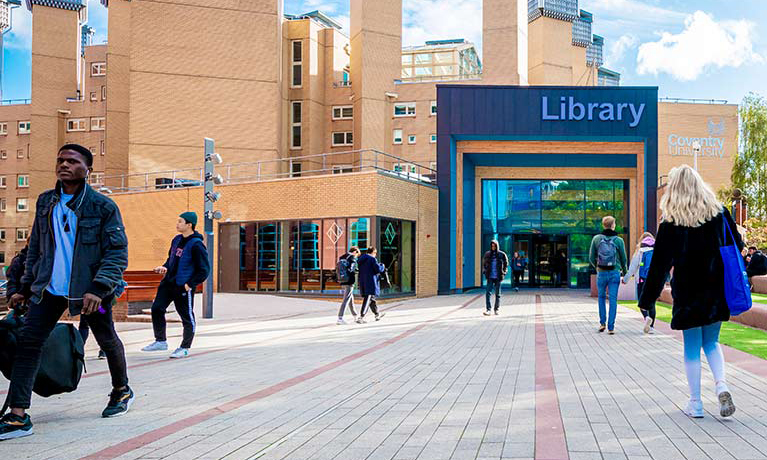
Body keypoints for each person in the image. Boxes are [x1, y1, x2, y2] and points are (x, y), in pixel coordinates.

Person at [1, 144, 132, 441]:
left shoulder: (103, 206)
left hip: (90, 295)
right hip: (48, 291)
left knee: (106, 337)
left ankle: (121, 391)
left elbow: (116, 252)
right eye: (60, 160)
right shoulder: (46, 201)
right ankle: (18, 416)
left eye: (72, 161)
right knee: (28, 345)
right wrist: (23, 287)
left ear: (88, 169)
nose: (64, 165)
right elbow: (36, 248)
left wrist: (99, 288)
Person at [639, 165, 739, 419]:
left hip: (688, 291)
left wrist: (647, 299)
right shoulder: (719, 214)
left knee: (692, 347)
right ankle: (721, 385)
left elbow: (659, 264)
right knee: (712, 341)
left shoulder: (671, 221)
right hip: (716, 289)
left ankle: (695, 403)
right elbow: (737, 244)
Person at [142, 212, 210, 359]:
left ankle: (185, 347)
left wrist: (189, 285)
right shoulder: (176, 240)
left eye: (180, 221)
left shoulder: (197, 245)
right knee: (157, 309)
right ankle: (160, 341)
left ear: (189, 225)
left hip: (182, 286)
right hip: (168, 283)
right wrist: (164, 267)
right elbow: (170, 260)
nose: (177, 224)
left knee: (186, 317)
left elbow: (204, 270)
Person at [589, 216, 628, 334]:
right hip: (614, 272)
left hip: (601, 272)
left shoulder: (596, 239)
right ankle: (611, 327)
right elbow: (624, 259)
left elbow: (591, 257)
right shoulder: (619, 240)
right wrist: (625, 274)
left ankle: (602, 323)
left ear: (603, 225)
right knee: (613, 299)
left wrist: (597, 267)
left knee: (601, 298)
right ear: (613, 225)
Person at [623, 232, 657, 334]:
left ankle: (646, 317)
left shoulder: (640, 251)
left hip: (642, 280)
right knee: (652, 303)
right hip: (654, 281)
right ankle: (651, 327)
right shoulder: (657, 250)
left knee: (642, 302)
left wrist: (625, 279)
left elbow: (633, 267)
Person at [356, 247, 386, 324]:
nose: (375, 255)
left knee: (371, 299)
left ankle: (377, 314)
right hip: (371, 282)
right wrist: (382, 266)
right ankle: (361, 317)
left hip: (363, 281)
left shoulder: (361, 259)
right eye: (375, 253)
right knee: (368, 298)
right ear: (373, 252)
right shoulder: (372, 259)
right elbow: (378, 269)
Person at [482, 240, 508, 316]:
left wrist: (504, 272)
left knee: (498, 294)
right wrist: (484, 271)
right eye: (492, 246)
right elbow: (484, 264)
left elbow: (506, 263)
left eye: (494, 246)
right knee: (488, 293)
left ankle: (496, 309)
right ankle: (488, 310)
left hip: (498, 277)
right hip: (490, 277)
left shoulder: (501, 254)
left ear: (497, 246)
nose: (493, 247)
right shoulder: (487, 254)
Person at [337, 246, 360, 325]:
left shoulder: (342, 257)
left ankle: (355, 316)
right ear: (355, 252)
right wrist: (356, 271)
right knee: (346, 299)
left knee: (350, 299)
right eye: (357, 254)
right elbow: (351, 269)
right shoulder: (352, 258)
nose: (356, 256)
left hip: (343, 280)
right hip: (349, 281)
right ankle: (340, 318)